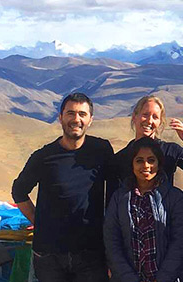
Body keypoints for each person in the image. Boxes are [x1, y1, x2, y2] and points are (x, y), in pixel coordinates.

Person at [11, 92, 114, 282]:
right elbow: (19, 190)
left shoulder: (102, 150)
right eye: (70, 113)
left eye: (82, 114)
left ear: (90, 119)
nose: (76, 119)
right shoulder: (43, 156)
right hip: (50, 255)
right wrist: (37, 219)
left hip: (91, 252)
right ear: (60, 117)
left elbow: (116, 189)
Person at [104, 137, 183, 282]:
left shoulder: (174, 197)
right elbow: (112, 241)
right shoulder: (119, 198)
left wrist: (163, 277)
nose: (145, 165)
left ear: (159, 163)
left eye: (151, 160)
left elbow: (180, 242)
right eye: (139, 160)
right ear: (131, 164)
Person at [109, 95, 183, 197]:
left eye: (155, 117)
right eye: (145, 114)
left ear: (160, 122)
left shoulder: (170, 151)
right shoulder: (120, 158)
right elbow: (112, 198)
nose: (149, 121)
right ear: (134, 117)